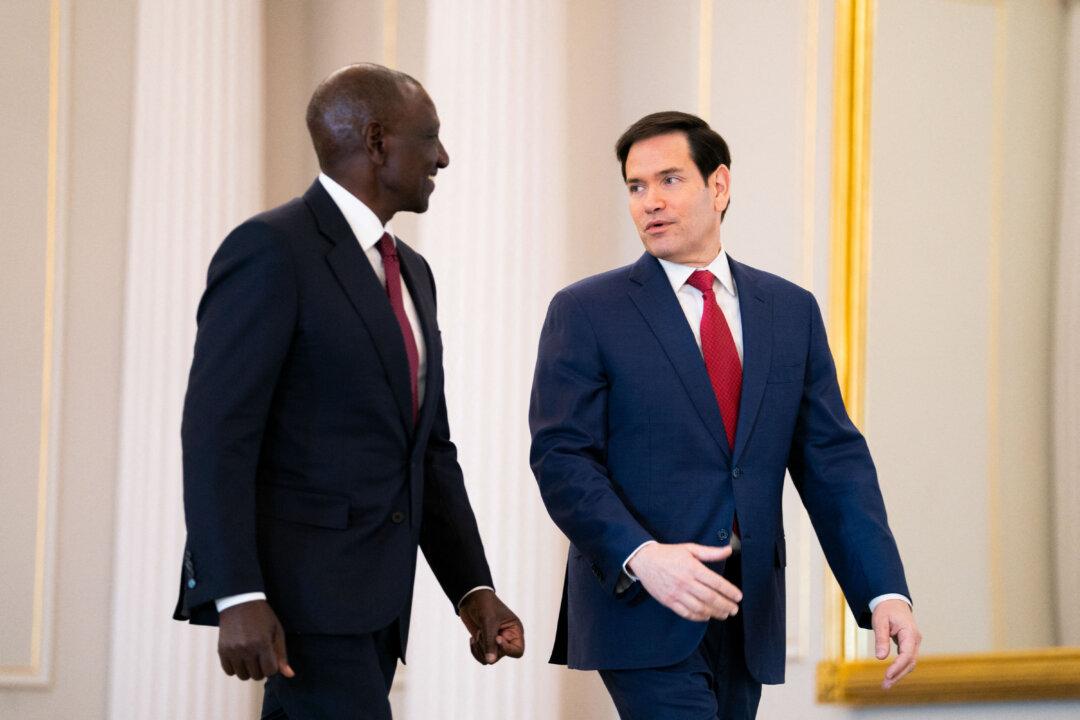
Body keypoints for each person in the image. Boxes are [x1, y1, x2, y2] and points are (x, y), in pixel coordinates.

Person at [528, 111, 919, 719]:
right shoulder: (586, 310)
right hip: (641, 608)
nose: (650, 202)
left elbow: (833, 462)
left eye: (669, 180)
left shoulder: (789, 311)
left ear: (719, 185)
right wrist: (642, 557)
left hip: (747, 609)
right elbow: (562, 459)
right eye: (636, 187)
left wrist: (883, 590)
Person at [173, 63, 524, 719]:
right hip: (302, 601)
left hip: (380, 605)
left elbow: (428, 451)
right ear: (377, 141)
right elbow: (218, 434)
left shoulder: (413, 272)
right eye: (431, 137)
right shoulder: (271, 249)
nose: (443, 157)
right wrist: (235, 592)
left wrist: (471, 587)